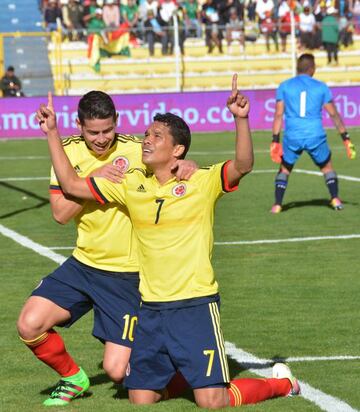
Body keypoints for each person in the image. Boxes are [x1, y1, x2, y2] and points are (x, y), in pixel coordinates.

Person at [38, 75, 301, 409]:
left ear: (177, 149)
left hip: (195, 305)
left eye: (156, 136)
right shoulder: (131, 184)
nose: (146, 140)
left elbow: (244, 165)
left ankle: (281, 383)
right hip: (150, 308)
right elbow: (73, 186)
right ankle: (194, 379)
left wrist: (241, 119)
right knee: (140, 397)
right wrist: (51, 133)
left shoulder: (202, 181)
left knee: (213, 402)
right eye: (147, 134)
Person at [17, 91, 197, 406]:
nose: (101, 139)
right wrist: (93, 180)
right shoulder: (67, 152)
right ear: (78, 126)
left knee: (118, 373)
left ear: (116, 122)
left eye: (107, 130)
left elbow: (172, 165)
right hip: (83, 264)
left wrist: (186, 165)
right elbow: (60, 213)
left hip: (126, 275)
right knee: (29, 324)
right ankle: (73, 378)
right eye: (93, 132)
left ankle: (193, 378)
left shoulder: (136, 150)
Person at [270, 53, 356, 214]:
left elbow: (278, 115)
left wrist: (275, 140)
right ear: (312, 68)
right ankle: (335, 199)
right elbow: (334, 115)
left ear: (298, 68)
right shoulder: (321, 87)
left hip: (293, 135)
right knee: (327, 167)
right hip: (315, 134)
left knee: (284, 169)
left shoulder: (284, 86)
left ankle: (277, 205)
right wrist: (345, 137)